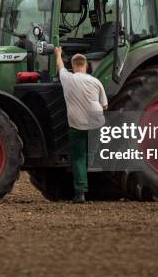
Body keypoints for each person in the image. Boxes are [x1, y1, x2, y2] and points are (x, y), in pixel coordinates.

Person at [55, 46, 108, 203]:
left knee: (78, 158)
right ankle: (99, 187)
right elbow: (104, 105)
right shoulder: (96, 81)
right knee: (90, 155)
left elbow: (60, 66)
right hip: (96, 123)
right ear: (86, 66)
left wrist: (58, 53)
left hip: (77, 124)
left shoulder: (67, 78)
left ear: (73, 67)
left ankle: (80, 193)